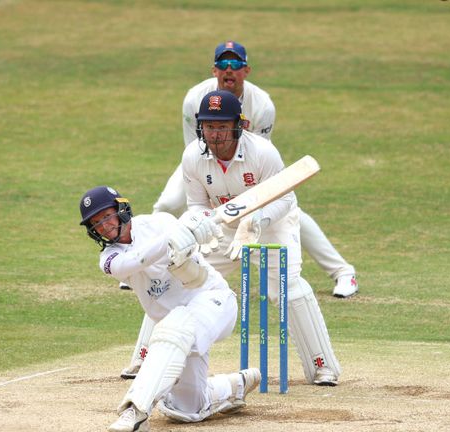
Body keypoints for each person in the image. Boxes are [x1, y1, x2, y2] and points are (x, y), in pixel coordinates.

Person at [120, 40, 356, 380]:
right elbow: (198, 204)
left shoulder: (263, 153)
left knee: (286, 288)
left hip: (271, 223)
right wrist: (200, 226)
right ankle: (146, 357)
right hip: (222, 227)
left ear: (239, 125)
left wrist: (256, 220)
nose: (214, 134)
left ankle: (322, 367)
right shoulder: (192, 158)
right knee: (177, 277)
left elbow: (285, 198)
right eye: (208, 126)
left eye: (221, 126)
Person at [151, 40, 358, 298]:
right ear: (214, 70)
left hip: (249, 166)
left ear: (246, 70)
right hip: (203, 160)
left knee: (287, 212)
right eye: (223, 64)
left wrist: (251, 211)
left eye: (235, 63)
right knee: (169, 203)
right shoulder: (195, 98)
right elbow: (194, 147)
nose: (229, 69)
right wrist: (212, 202)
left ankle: (342, 271)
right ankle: (150, 265)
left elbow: (259, 161)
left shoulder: (261, 105)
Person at [78, 185, 261, 432]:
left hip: (213, 302)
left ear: (121, 210)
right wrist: (172, 239)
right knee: (187, 409)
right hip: (178, 333)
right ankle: (234, 386)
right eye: (96, 223)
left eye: (107, 216)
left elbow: (189, 246)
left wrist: (194, 228)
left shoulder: (160, 223)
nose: (104, 226)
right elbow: (135, 261)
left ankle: (136, 411)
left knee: (176, 325)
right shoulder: (109, 260)